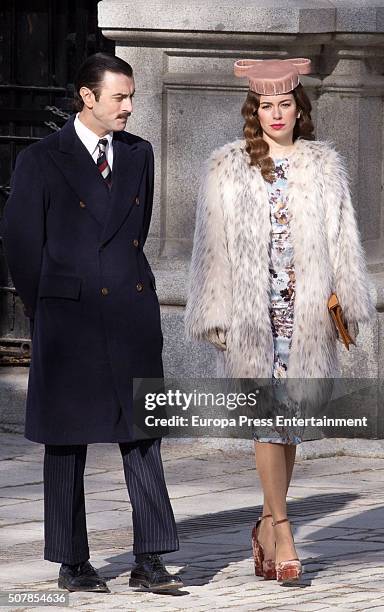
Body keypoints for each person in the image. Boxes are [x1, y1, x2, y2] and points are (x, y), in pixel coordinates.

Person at [185, 58, 374, 583]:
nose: (275, 114)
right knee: (268, 419)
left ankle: (266, 526)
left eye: (284, 104)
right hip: (252, 314)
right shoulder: (227, 164)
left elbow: (344, 239)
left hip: (306, 314)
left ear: (299, 108)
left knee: (288, 425)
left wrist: (349, 300)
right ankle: (285, 530)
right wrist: (215, 312)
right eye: (265, 105)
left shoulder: (324, 165)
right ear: (254, 110)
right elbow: (211, 247)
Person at [2, 52, 183, 593]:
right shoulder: (40, 159)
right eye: (119, 97)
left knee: (143, 435)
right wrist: (48, 307)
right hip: (69, 318)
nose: (129, 107)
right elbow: (21, 244)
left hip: (130, 314)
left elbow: (137, 230)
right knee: (65, 441)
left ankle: (150, 560)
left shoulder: (139, 155)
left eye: (131, 96)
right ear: (88, 96)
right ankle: (72, 562)